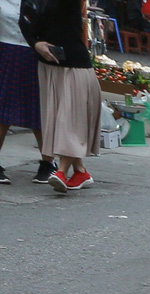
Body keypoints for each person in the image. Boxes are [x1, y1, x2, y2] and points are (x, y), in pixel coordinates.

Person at [22, 0, 98, 193]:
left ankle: (62, 171)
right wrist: (36, 44)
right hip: (48, 65)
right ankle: (80, 171)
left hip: (74, 66)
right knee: (58, 119)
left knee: (68, 120)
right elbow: (25, 23)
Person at [0, 0, 49, 184]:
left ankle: (47, 163)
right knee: (3, 111)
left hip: (34, 54)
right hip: (6, 51)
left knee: (39, 111)